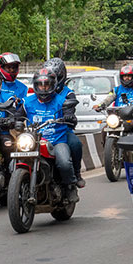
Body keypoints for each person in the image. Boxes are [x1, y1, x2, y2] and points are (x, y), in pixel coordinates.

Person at [21, 68, 81, 203]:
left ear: (53, 85)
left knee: (64, 163)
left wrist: (69, 117)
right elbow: (18, 115)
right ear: (35, 85)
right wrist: (12, 120)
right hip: (34, 141)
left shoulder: (61, 101)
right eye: (40, 84)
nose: (43, 88)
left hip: (57, 140)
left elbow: (70, 114)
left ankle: (70, 186)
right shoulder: (27, 102)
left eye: (46, 84)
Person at [42, 58, 85, 188]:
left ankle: (76, 174)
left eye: (55, 77)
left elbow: (70, 110)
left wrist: (69, 117)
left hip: (61, 131)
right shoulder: (39, 91)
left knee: (76, 144)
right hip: (41, 131)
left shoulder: (68, 94)